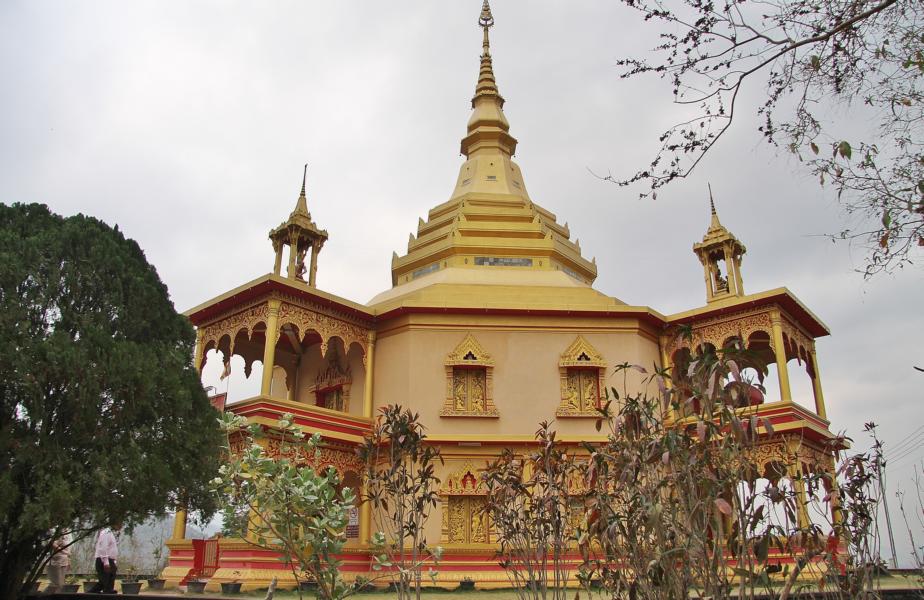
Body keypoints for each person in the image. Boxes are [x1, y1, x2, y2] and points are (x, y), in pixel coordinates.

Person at [90, 524, 120, 594]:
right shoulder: (106, 532)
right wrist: (106, 562)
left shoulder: (112, 533)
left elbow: (112, 548)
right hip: (103, 560)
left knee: (108, 583)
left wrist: (114, 562)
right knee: (104, 582)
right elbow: (103, 547)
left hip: (111, 560)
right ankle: (88, 595)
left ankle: (108, 592)